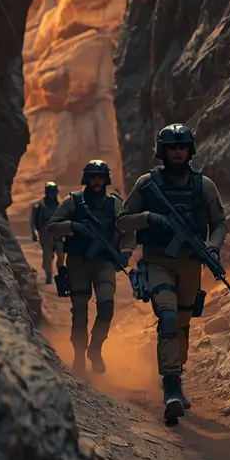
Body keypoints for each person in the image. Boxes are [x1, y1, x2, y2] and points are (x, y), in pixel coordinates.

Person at [118, 124, 227, 426]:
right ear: (162, 151)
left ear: (190, 150)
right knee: (167, 316)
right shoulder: (147, 184)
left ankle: (175, 373)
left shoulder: (204, 186)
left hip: (191, 263)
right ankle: (171, 387)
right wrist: (150, 218)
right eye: (171, 147)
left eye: (182, 147)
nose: (177, 152)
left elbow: (219, 223)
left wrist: (213, 248)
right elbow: (123, 222)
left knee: (181, 323)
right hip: (158, 262)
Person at [46, 161, 129, 376]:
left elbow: (128, 230)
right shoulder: (73, 202)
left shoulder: (115, 204)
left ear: (106, 179)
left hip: (104, 263)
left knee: (107, 308)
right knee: (80, 312)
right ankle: (79, 356)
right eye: (93, 177)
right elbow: (52, 226)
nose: (97, 181)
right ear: (86, 179)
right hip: (78, 263)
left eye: (100, 177)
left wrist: (125, 253)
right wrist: (74, 227)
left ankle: (95, 349)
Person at [30, 181, 61, 285]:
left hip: (58, 232)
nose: (53, 195)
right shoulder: (39, 206)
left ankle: (61, 274)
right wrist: (33, 233)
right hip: (45, 232)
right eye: (51, 192)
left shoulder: (59, 206)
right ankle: (48, 274)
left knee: (61, 254)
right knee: (47, 254)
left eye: (54, 192)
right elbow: (33, 221)